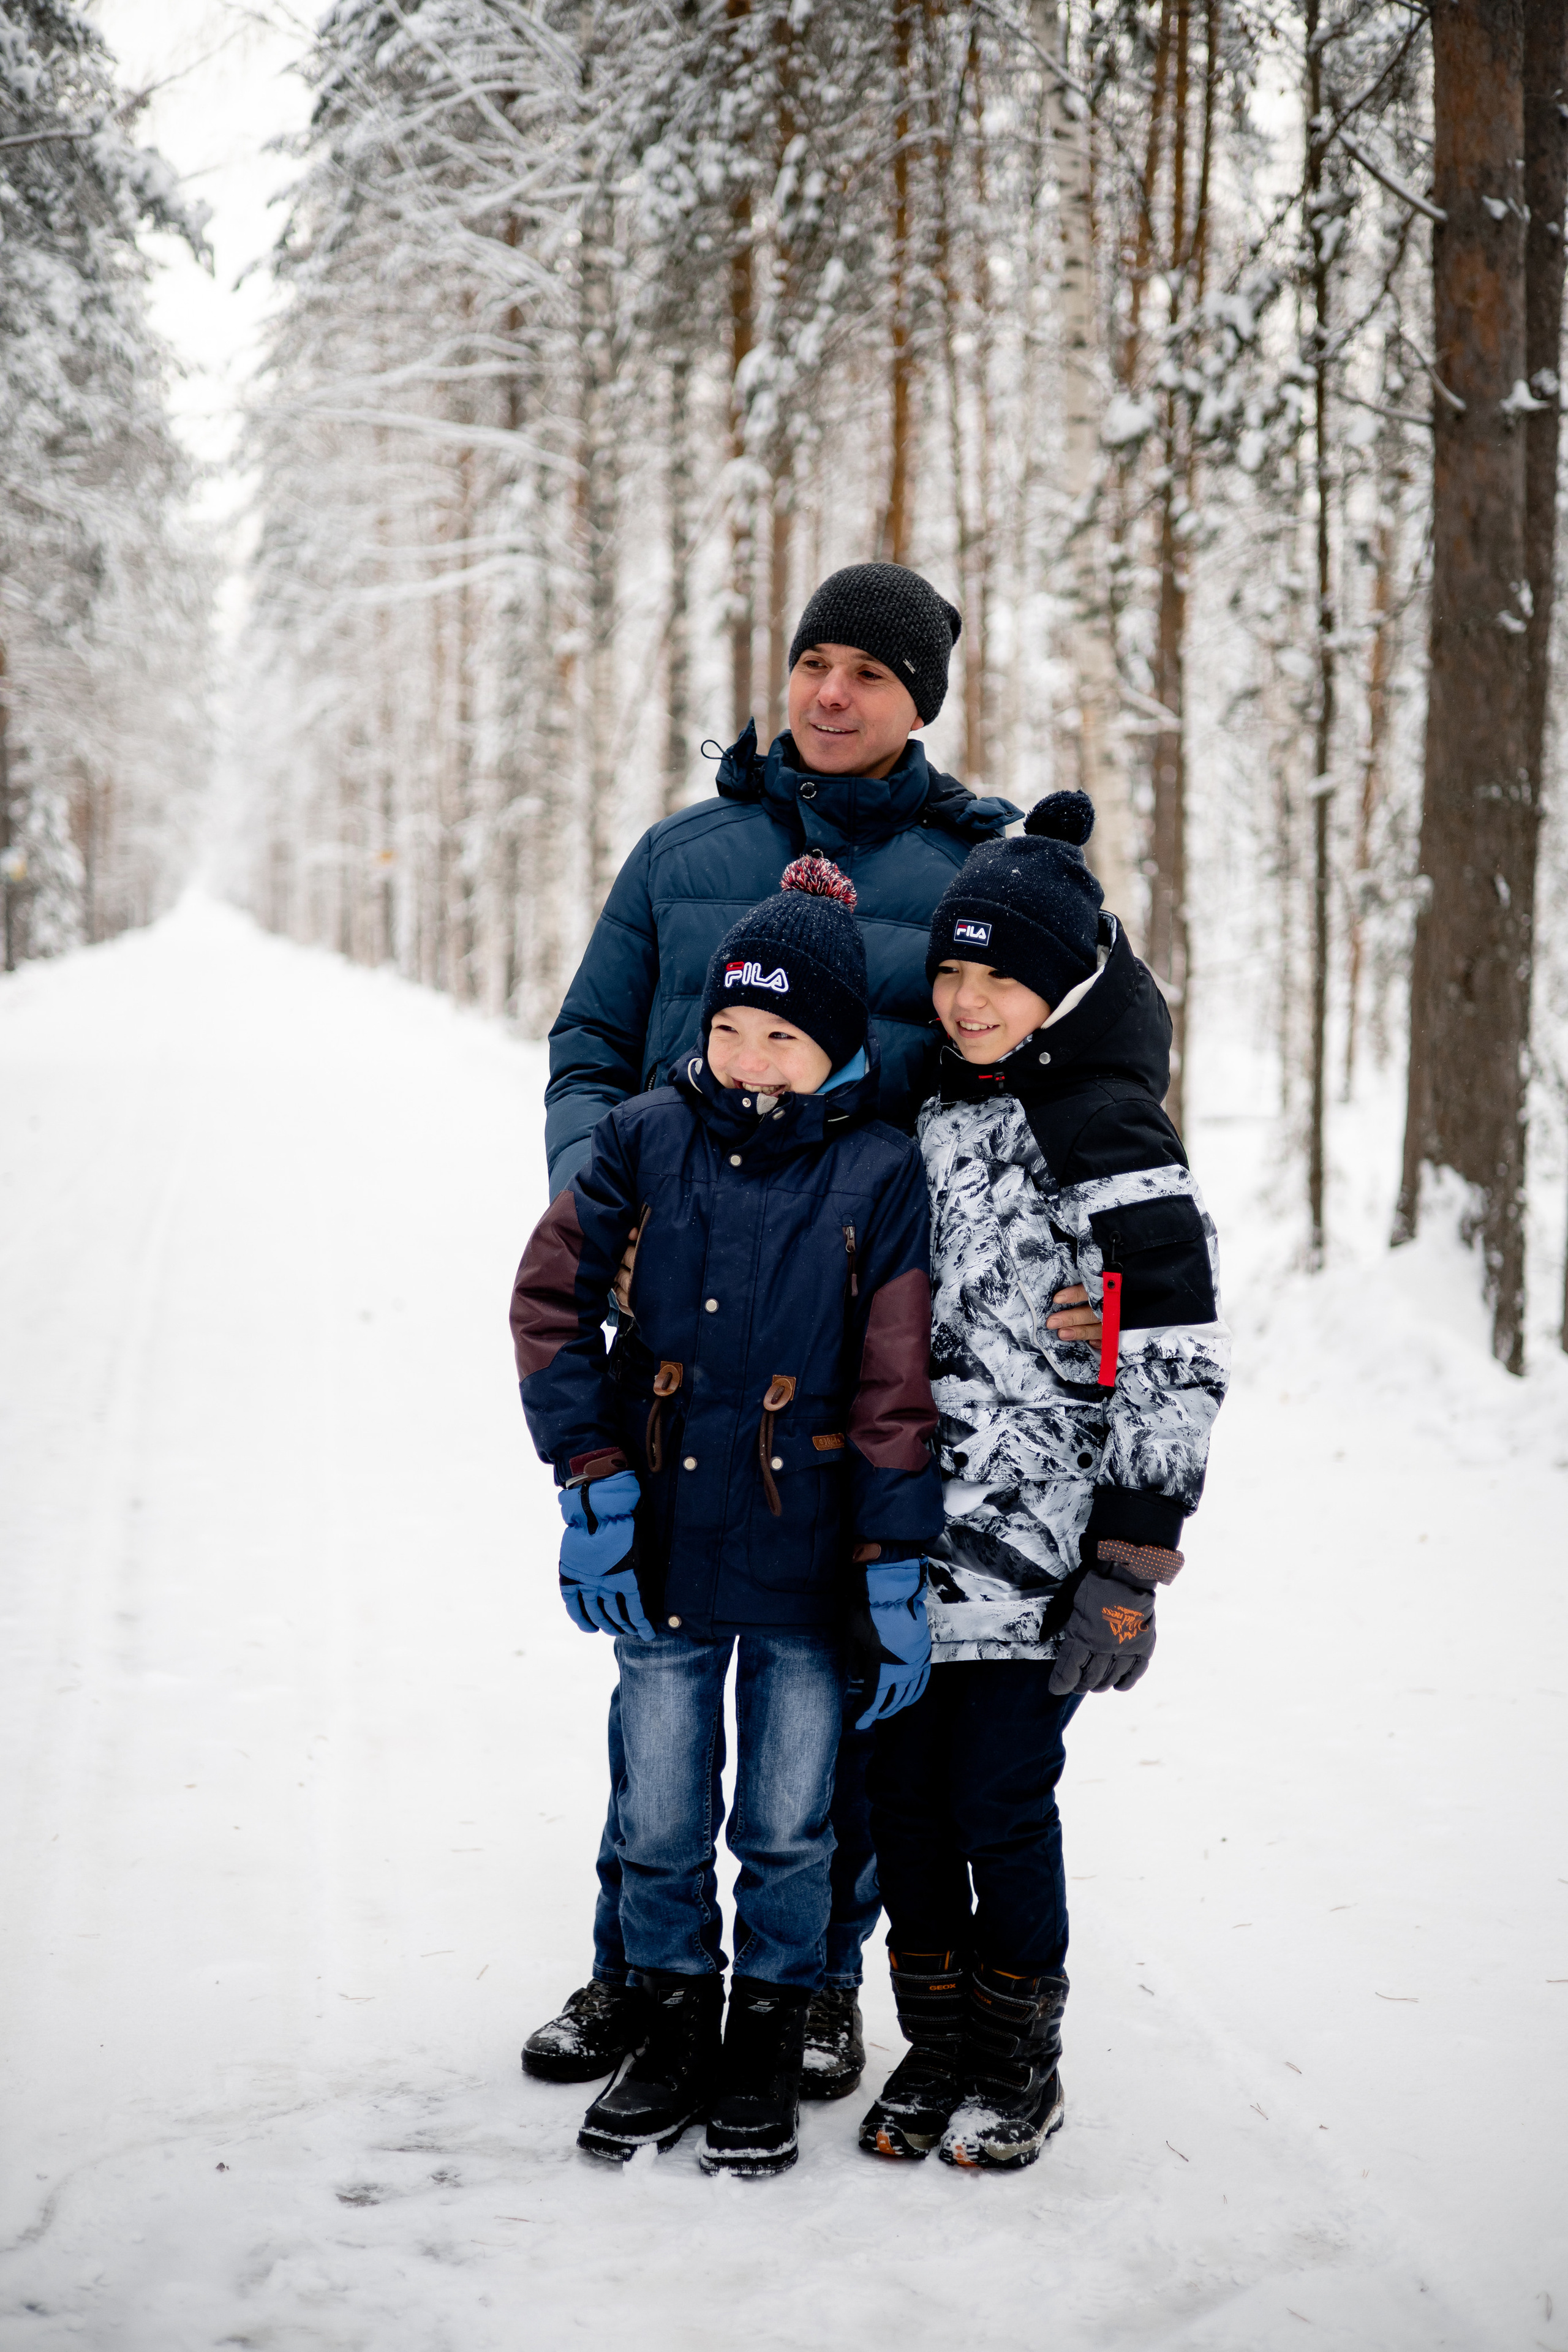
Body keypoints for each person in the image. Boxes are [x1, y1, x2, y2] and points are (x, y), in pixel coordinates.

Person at [524, 562, 1100, 2098]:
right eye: (813, 661)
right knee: (657, 1667)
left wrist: (1090, 1262)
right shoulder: (683, 854)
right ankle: (635, 1970)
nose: (830, 694)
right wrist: (601, 1202)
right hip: (676, 1326)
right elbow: (589, 1041)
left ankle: (815, 1979)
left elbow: (1085, 1044)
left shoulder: (970, 866)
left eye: (869, 673)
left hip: (862, 1337)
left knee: (827, 1679)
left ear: (920, 702)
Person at [508, 860, 944, 2174]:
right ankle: (669, 2020)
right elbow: (549, 1303)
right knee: (656, 1815)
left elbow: (896, 1384)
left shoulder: (880, 1172)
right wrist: (590, 1476)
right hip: (661, 1543)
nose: (750, 1058)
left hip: (809, 1556)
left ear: (839, 1048)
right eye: (731, 1027)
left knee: (788, 1824)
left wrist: (890, 1561)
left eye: (783, 1036)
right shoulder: (644, 1136)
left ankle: (766, 2029)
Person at [858, 789, 1231, 2170]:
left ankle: (1018, 2056)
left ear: (1064, 985)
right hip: (906, 1543)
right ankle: (935, 2041)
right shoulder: (923, 1110)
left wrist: (1129, 1563)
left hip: (1036, 1561)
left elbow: (1177, 1356)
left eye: (1002, 979)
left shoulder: (1107, 1128)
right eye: (952, 974)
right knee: (902, 1807)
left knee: (998, 1805)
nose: (968, 1002)